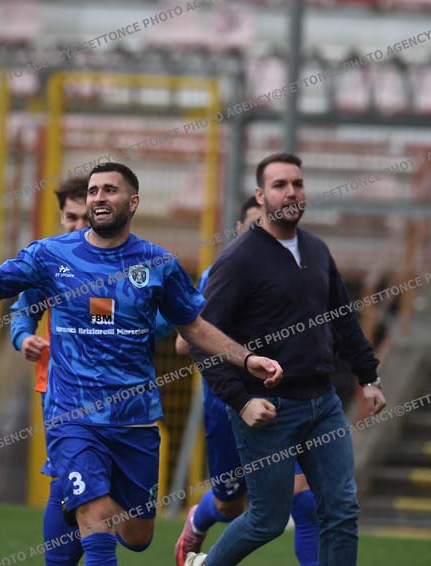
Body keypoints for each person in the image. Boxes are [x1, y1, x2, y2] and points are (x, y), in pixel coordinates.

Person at [0, 162, 283, 565]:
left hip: (134, 421)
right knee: (96, 515)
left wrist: (247, 359)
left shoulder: (157, 263)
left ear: (132, 202)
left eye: (110, 190)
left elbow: (194, 328)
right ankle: (81, 501)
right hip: (73, 415)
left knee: (138, 535)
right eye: (93, 190)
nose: (98, 197)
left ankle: (74, 500)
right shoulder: (50, 254)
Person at [185, 152, 386, 566]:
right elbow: (202, 340)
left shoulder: (317, 249)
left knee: (341, 511)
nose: (291, 192)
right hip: (269, 409)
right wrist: (242, 401)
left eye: (297, 183)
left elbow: (343, 319)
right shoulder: (238, 260)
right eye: (279, 185)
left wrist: (368, 377)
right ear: (261, 196)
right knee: (266, 520)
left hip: (324, 404)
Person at [174, 196, 319, 566]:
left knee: (304, 498)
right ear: (239, 229)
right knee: (230, 505)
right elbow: (183, 343)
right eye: (255, 226)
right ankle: (200, 518)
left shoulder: (297, 274)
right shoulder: (219, 274)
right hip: (228, 406)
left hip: (283, 403)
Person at [9, 176, 89, 566]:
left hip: (120, 390)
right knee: (67, 479)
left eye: (86, 218)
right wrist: (23, 337)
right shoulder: (50, 260)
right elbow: (24, 308)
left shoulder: (131, 259)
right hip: (59, 389)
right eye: (71, 217)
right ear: (61, 218)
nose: (79, 226)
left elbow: (159, 320)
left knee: (114, 501)